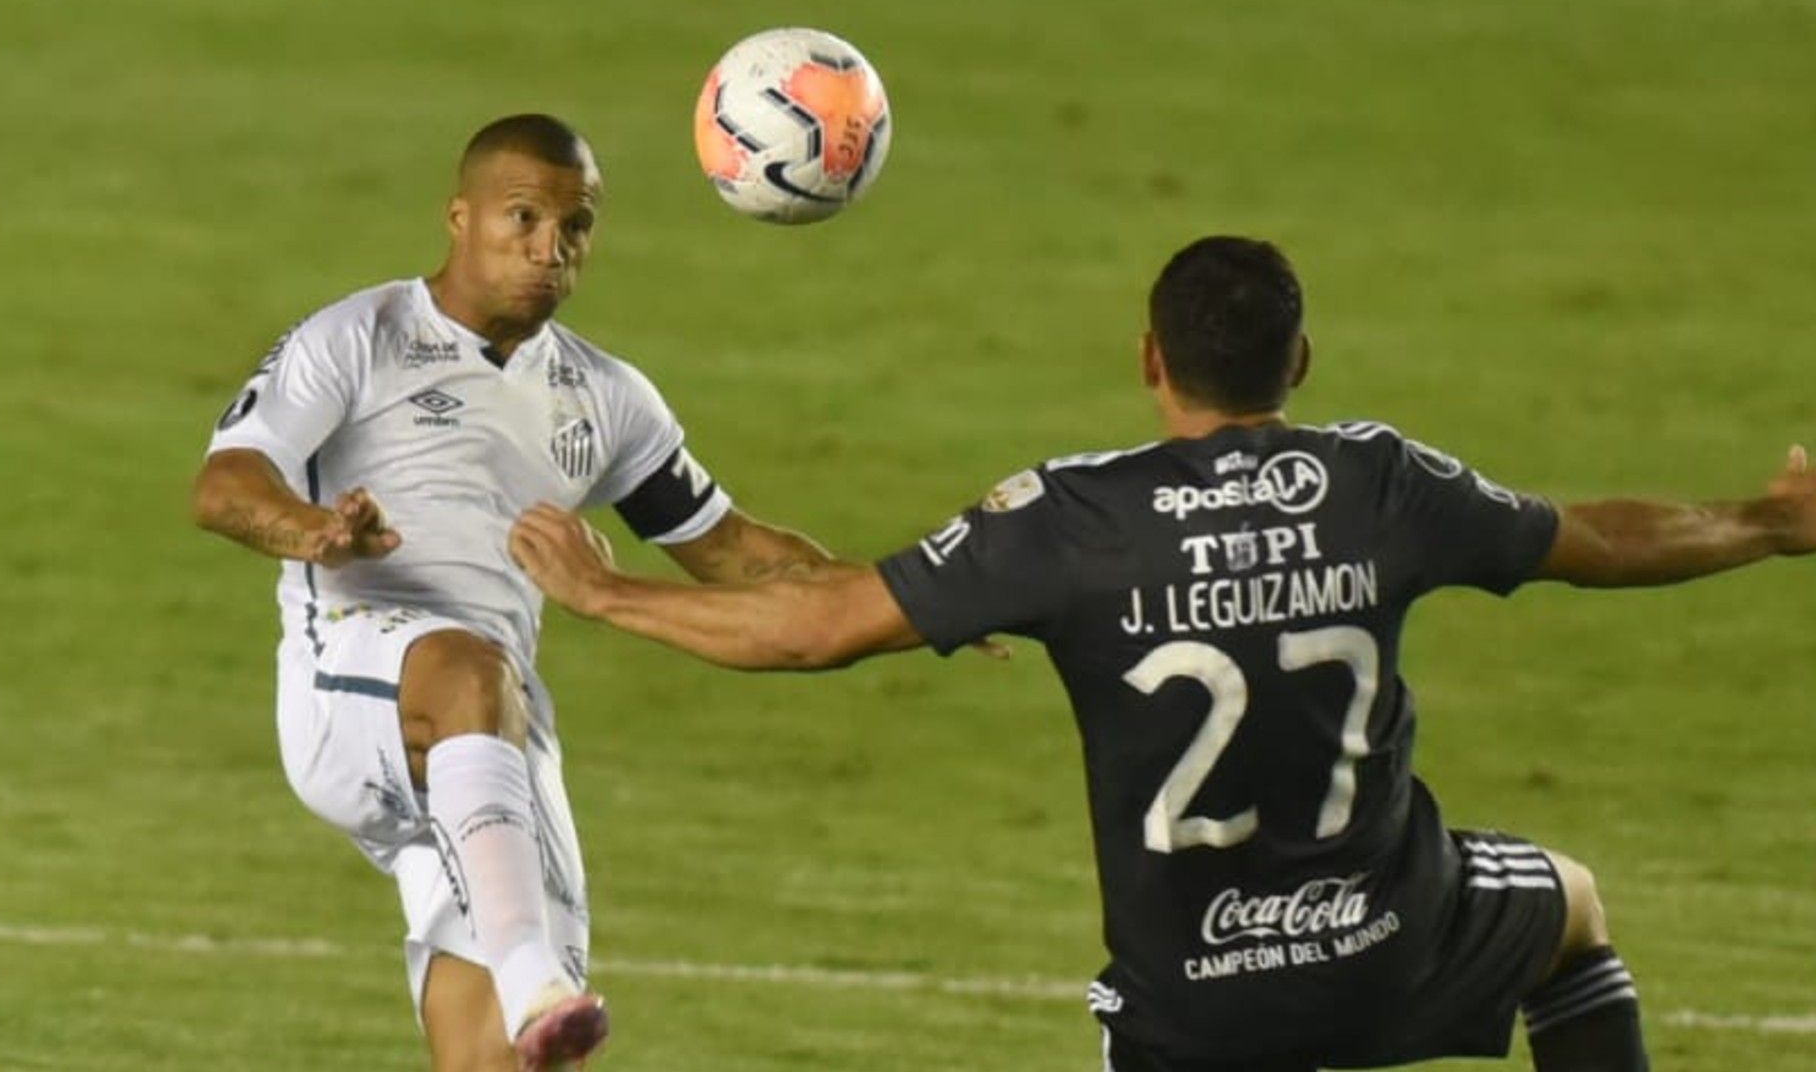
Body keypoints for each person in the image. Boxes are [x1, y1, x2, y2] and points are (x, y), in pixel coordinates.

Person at [507, 235, 1816, 1071]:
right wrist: (1766, 521)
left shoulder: (1075, 521)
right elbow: (1594, 537)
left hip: (1191, 1011)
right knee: (1569, 910)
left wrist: (611, 594)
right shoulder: (1375, 481)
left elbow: (814, 629)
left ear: (1150, 361)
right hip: (1390, 948)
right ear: (1298, 359)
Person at [190, 113, 838, 1072]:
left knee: (514, 1060)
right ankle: (536, 974)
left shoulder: (606, 397)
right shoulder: (358, 339)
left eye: (573, 229)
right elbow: (223, 486)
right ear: (460, 218)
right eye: (523, 219)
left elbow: (733, 549)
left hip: (493, 741)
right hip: (355, 680)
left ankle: (532, 992)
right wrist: (319, 531)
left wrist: (924, 590)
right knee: (469, 669)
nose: (549, 251)